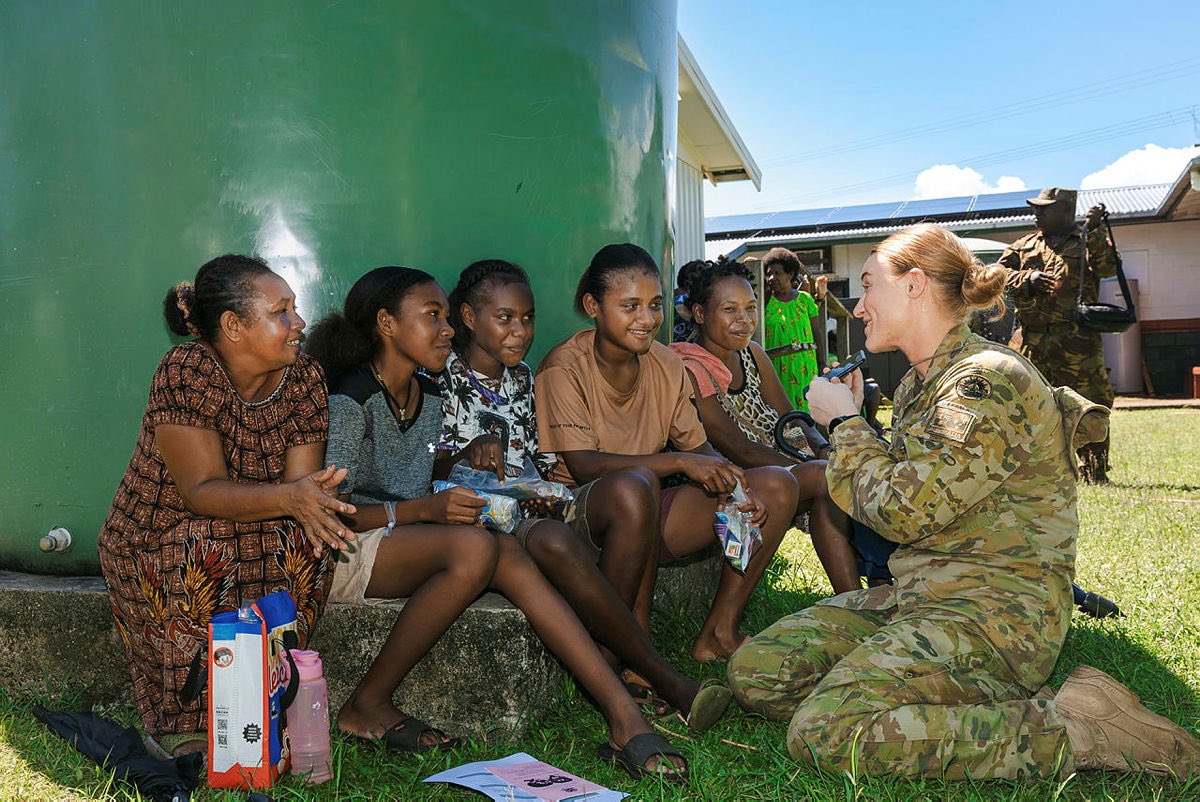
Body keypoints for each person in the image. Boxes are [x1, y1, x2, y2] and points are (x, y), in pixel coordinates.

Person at [727, 224, 1200, 779]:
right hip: (924, 596)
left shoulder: (986, 381)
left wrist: (848, 425)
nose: (859, 308)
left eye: (869, 286)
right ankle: (954, 698)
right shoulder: (922, 384)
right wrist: (848, 435)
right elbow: (905, 492)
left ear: (914, 285)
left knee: (825, 732)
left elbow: (907, 510)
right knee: (758, 671)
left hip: (994, 616)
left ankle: (1079, 729)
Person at [306, 266, 693, 780]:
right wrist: (421, 511)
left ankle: (623, 716)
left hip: (403, 534)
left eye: (447, 317)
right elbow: (332, 509)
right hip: (344, 544)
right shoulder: (351, 398)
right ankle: (368, 701)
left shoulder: (425, 393)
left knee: (502, 551)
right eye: (433, 317)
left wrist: (459, 460)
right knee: (476, 549)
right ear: (386, 324)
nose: (447, 329)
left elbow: (418, 469)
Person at [434, 258, 731, 726]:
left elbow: (541, 461)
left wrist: (550, 486)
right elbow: (424, 466)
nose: (520, 331)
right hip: (481, 516)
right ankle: (648, 671)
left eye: (527, 319)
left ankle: (619, 660)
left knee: (636, 486)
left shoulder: (523, 379)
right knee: (563, 535)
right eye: (505, 319)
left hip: (536, 506)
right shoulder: (440, 379)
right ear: (469, 319)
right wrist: (466, 453)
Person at [98, 254, 352, 757]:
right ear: (233, 326)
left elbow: (301, 488)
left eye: (295, 309)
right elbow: (202, 492)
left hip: (255, 527)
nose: (299, 323)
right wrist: (292, 498)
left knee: (308, 541)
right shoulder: (187, 370)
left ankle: (269, 696)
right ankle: (183, 720)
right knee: (204, 546)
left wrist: (315, 499)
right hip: (160, 536)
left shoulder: (304, 378)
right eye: (281, 312)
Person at [535, 243, 799, 664]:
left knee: (777, 486)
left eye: (655, 305)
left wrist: (731, 479)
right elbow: (584, 466)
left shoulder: (666, 364)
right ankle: (629, 652)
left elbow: (700, 448)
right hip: (585, 518)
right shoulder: (564, 368)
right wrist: (678, 462)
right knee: (635, 488)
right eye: (630, 306)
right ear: (593, 305)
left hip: (649, 507)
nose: (647, 319)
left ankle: (719, 633)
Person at [669, 258, 870, 595]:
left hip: (782, 461)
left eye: (750, 308)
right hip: (737, 476)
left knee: (832, 475)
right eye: (730, 310)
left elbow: (790, 415)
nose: (744, 320)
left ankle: (853, 597)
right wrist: (811, 465)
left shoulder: (753, 354)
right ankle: (855, 595)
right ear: (700, 314)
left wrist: (821, 447)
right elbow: (735, 446)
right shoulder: (691, 369)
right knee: (826, 477)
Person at [1002, 187, 1117, 483]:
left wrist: (1095, 232)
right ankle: (1037, 471)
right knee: (1028, 406)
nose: (1037, 213)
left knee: (1090, 405)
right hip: (1031, 342)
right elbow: (993, 275)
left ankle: (1095, 470)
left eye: (1044, 208)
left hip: (1077, 341)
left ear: (1066, 211)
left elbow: (1107, 268)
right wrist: (1026, 278)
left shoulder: (1086, 241)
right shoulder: (1023, 245)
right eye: (1036, 208)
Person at [762, 247, 828, 412]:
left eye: (778, 273)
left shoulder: (804, 300)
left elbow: (816, 332)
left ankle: (810, 437)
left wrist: (821, 362)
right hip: (776, 366)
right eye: (769, 274)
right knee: (781, 409)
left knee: (807, 407)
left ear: (790, 274)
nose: (772, 278)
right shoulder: (765, 302)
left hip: (805, 363)